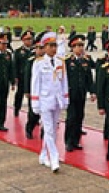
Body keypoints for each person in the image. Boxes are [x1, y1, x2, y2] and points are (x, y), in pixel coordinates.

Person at [31, 32, 68, 173]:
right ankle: (54, 158)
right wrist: (35, 103)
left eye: (55, 45)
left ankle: (43, 154)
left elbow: (64, 81)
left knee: (52, 129)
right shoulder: (38, 63)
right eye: (50, 46)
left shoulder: (60, 61)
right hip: (44, 100)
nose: (53, 48)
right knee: (48, 129)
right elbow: (35, 84)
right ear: (44, 47)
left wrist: (65, 98)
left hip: (57, 100)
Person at [65, 34, 95, 152]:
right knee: (71, 118)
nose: (80, 48)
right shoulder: (67, 61)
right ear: (72, 47)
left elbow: (89, 78)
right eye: (77, 46)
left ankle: (76, 140)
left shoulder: (86, 60)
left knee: (79, 117)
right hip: (71, 93)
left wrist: (92, 91)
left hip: (81, 94)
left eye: (82, 45)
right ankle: (68, 141)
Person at [24, 33, 45, 139]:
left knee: (46, 114)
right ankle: (29, 129)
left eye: (42, 48)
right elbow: (27, 76)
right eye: (38, 48)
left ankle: (44, 132)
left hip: (45, 92)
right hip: (34, 91)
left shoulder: (48, 61)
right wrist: (27, 91)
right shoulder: (31, 61)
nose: (40, 50)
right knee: (33, 114)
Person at [13, 30, 35, 118]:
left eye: (31, 39)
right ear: (23, 40)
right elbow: (15, 65)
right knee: (20, 94)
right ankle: (16, 108)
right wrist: (15, 77)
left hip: (32, 77)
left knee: (32, 95)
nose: (29, 41)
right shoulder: (18, 51)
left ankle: (32, 114)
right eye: (27, 39)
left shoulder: (35, 51)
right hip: (22, 77)